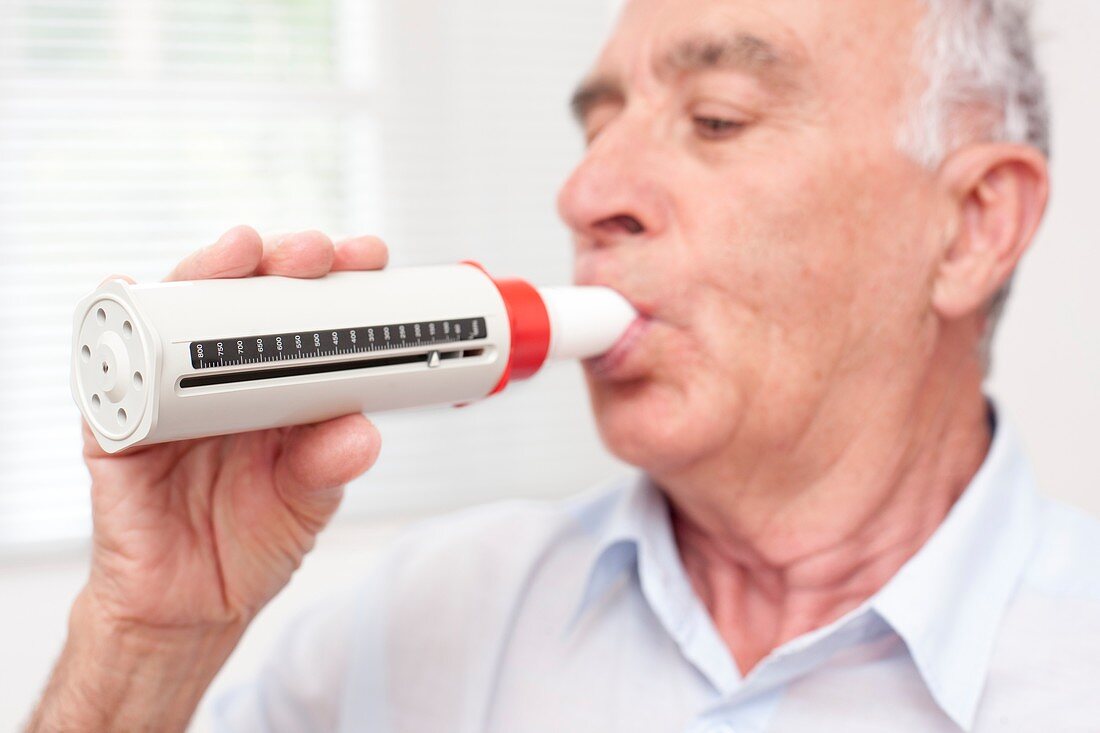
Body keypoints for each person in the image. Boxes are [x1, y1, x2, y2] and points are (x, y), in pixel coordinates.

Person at [26, 0, 1100, 731]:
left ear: (969, 227)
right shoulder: (428, 616)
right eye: (598, 126)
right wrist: (145, 647)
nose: (586, 192)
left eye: (715, 119)